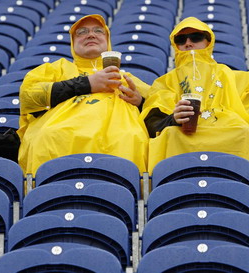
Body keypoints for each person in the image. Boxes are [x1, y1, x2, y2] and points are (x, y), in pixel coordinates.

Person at [17, 14, 150, 175]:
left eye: (98, 31)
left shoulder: (126, 78)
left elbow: (159, 111)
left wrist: (140, 101)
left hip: (120, 136)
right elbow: (29, 97)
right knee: (49, 135)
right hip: (59, 133)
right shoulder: (55, 69)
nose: (91, 34)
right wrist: (88, 84)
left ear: (107, 40)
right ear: (73, 42)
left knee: (131, 137)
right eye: (82, 32)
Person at [140, 17, 249, 174]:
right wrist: (173, 118)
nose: (188, 43)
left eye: (196, 37)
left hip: (226, 132)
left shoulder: (240, 78)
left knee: (243, 132)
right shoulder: (164, 82)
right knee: (169, 134)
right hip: (182, 133)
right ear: (175, 46)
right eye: (181, 39)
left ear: (209, 42)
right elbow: (152, 123)